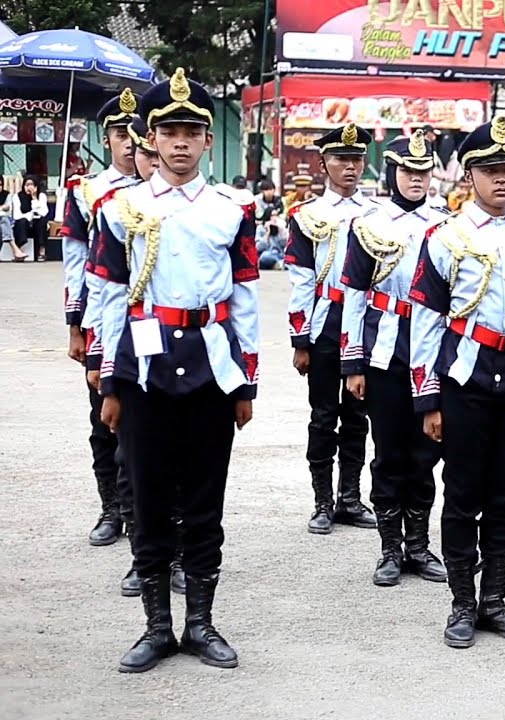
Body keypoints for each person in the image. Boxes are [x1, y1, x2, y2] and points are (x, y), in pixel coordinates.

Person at [95, 67, 260, 672]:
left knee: (205, 497)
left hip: (212, 363)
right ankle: (158, 627)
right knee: (149, 492)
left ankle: (201, 622)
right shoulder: (121, 207)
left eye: (192, 130)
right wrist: (110, 380)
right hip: (145, 366)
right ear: (151, 138)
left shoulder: (232, 208)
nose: (182, 142)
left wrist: (246, 380)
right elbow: (108, 294)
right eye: (170, 131)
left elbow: (244, 295)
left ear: (208, 139)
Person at [406, 115, 505, 648]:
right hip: (464, 378)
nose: (502, 179)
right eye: (490, 169)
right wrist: (428, 398)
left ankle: (494, 599)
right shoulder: (445, 237)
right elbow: (425, 321)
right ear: (469, 174)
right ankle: (462, 604)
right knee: (463, 493)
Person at [340, 130, 449, 586]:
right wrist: (352, 362)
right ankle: (389, 548)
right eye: (408, 171)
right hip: (384, 344)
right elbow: (354, 294)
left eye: (424, 172)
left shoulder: (447, 225)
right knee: (388, 450)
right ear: (392, 172)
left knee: (426, 452)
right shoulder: (370, 223)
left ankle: (419, 545)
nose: (416, 179)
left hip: (433, 347)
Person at [93, 114, 185, 599]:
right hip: (133, 350)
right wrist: (98, 358)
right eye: (148, 150)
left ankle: (178, 553)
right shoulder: (116, 207)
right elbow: (100, 288)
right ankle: (138, 544)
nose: (149, 159)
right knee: (132, 456)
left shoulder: (197, 208)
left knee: (182, 461)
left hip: (186, 348)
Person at [284, 123, 378, 534]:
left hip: (366, 325)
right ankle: (322, 501)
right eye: (341, 159)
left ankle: (350, 497)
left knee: (358, 416)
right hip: (326, 321)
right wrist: (300, 339)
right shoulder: (308, 216)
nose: (350, 167)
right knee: (324, 415)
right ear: (324, 163)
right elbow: (301, 279)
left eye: (356, 159)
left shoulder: (378, 215)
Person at [61, 91, 139, 548]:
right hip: (101, 318)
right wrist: (75, 325)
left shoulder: (161, 190)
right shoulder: (85, 191)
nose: (128, 143)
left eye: (135, 133)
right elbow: (75, 264)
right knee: (103, 419)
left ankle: (140, 509)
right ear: (105, 138)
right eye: (118, 134)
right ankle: (111, 509)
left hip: (151, 317)